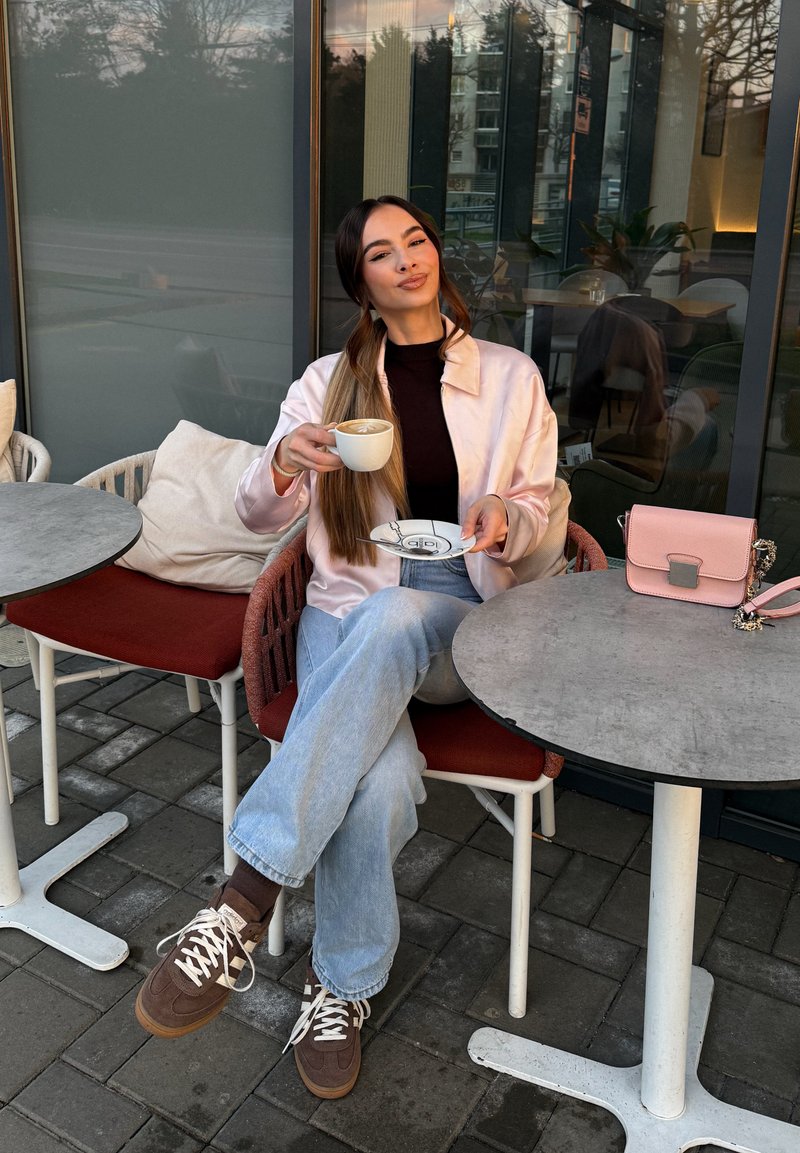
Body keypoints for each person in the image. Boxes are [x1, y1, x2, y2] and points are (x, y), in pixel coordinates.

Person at [134, 195, 559, 1098]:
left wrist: (508, 517)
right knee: (383, 774)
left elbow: (541, 502)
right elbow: (257, 511)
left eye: (417, 241)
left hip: (460, 615)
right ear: (359, 282)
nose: (407, 259)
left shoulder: (513, 377)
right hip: (344, 602)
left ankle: (244, 892)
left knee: (401, 618)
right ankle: (342, 986)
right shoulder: (328, 381)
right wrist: (287, 458)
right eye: (380, 252)